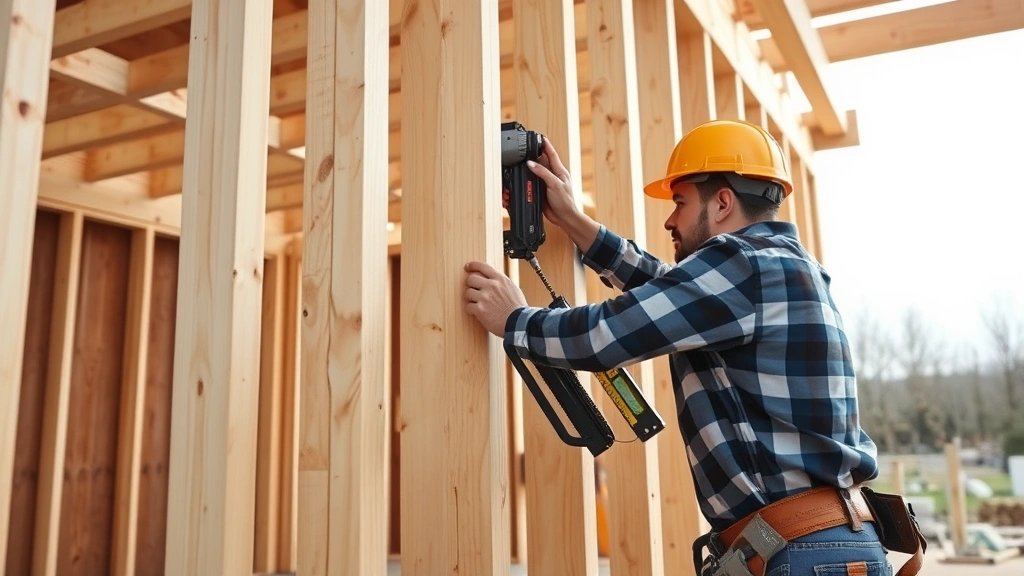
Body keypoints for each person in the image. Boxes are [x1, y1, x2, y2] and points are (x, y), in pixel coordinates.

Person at [463, 119, 925, 576]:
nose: (669, 218)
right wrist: (576, 223)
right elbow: (670, 292)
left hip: (799, 552)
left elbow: (610, 333)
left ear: (722, 202)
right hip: (822, 545)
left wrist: (516, 321)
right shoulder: (776, 267)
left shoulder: (745, 264)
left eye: (679, 203)